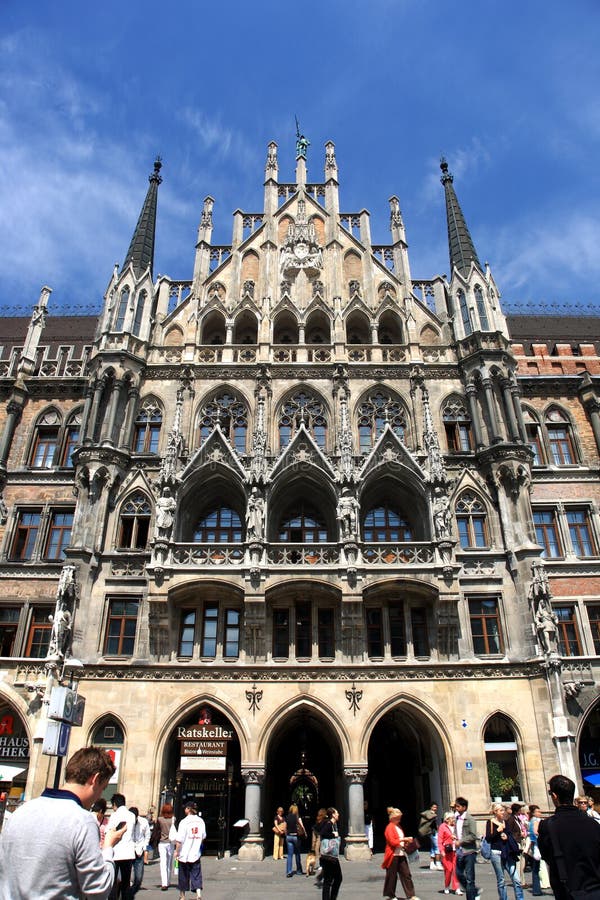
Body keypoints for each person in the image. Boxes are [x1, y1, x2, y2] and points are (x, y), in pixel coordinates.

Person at [0, 745, 126, 900]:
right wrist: (108, 848)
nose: (100, 795)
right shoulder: (82, 820)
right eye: (103, 788)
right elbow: (98, 890)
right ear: (95, 779)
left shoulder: (20, 812)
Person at [538, 773, 600, 900]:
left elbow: (546, 856)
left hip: (568, 891)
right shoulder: (593, 823)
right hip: (595, 889)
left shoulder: (548, 825)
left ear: (555, 796)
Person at [485, 803, 523, 900]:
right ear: (495, 812)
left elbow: (510, 835)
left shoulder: (506, 822)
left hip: (508, 852)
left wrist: (507, 836)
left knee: (516, 879)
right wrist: (498, 830)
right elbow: (488, 838)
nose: (503, 812)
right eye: (500, 810)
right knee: (501, 880)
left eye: (503, 810)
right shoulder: (490, 823)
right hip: (496, 853)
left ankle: (520, 898)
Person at [381, 807, 420, 900]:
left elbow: (398, 840)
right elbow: (392, 842)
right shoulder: (389, 827)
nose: (400, 819)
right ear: (393, 817)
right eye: (398, 817)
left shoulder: (398, 826)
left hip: (401, 853)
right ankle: (391, 895)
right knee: (392, 876)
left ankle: (411, 895)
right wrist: (404, 839)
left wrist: (406, 841)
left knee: (406, 874)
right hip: (393, 854)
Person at [174, 801, 206, 900]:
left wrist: (177, 851)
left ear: (188, 809)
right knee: (196, 873)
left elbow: (179, 840)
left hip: (184, 853)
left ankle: (182, 895)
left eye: (185, 808)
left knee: (183, 874)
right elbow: (203, 836)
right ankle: (198, 894)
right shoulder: (201, 821)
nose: (184, 810)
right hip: (195, 853)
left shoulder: (184, 822)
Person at [108, 793, 137, 900]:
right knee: (126, 881)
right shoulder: (132, 815)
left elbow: (109, 831)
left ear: (115, 804)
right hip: (128, 852)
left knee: (112, 880)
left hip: (116, 852)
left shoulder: (114, 815)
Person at [454, 796, 480, 900]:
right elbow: (458, 831)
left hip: (469, 851)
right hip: (460, 851)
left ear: (464, 807)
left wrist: (461, 841)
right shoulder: (457, 818)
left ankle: (471, 897)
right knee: (458, 873)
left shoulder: (470, 819)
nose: (456, 808)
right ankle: (474, 891)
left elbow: (473, 836)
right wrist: (454, 836)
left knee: (470, 878)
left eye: (458, 806)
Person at [318, 807, 342, 900]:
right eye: (337, 813)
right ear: (333, 815)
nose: (338, 814)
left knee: (335, 879)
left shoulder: (333, 824)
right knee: (331, 880)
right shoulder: (329, 823)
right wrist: (333, 835)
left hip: (331, 856)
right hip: (329, 857)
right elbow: (322, 833)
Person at [438, 811, 460, 894]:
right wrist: (441, 850)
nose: (454, 819)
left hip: (456, 851)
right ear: (447, 819)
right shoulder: (442, 827)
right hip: (447, 851)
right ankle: (447, 886)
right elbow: (439, 840)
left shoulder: (455, 827)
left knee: (456, 870)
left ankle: (457, 888)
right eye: (452, 818)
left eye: (454, 818)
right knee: (449, 870)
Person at [129, 806, 150, 896]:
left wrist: (145, 850)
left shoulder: (144, 822)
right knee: (126, 876)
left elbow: (147, 836)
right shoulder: (127, 822)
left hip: (139, 851)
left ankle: (132, 891)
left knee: (138, 878)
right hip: (128, 850)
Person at [156, 802, 177, 890]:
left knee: (163, 863)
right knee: (169, 863)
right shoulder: (173, 819)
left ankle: (164, 883)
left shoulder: (160, 819)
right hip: (170, 843)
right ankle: (168, 881)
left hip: (162, 842)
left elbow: (157, 830)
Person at [419, 801, 442, 870]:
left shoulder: (430, 814)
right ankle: (438, 863)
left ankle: (432, 864)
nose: (435, 808)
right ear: (431, 807)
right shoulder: (430, 814)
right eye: (434, 807)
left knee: (433, 848)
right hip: (432, 832)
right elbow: (431, 823)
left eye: (436, 807)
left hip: (431, 832)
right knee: (437, 847)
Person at [527, 804, 543, 896]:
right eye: (538, 811)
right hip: (537, 845)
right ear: (533, 813)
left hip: (535, 845)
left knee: (536, 868)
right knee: (536, 868)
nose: (539, 813)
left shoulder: (532, 820)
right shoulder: (535, 820)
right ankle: (536, 889)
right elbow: (536, 832)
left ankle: (536, 889)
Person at [284, 802, 304, 877]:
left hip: (289, 837)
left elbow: (285, 828)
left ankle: (289, 871)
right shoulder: (297, 817)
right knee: (297, 854)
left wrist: (286, 835)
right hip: (296, 837)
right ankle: (299, 870)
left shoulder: (287, 817)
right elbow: (301, 827)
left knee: (289, 855)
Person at [313, 807, 328, 886]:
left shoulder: (320, 820)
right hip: (323, 838)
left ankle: (322, 871)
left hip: (320, 837)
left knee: (318, 850)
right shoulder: (326, 821)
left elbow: (315, 828)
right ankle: (322, 870)